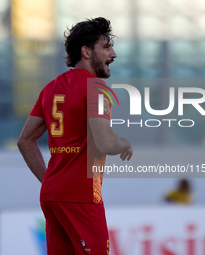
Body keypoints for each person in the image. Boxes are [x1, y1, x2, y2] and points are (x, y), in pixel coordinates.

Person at [17, 17, 133, 255]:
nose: (114, 54)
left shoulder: (51, 88)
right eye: (107, 47)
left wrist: (51, 181)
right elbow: (106, 142)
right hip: (82, 196)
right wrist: (124, 142)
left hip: (52, 196)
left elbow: (25, 141)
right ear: (86, 52)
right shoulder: (97, 88)